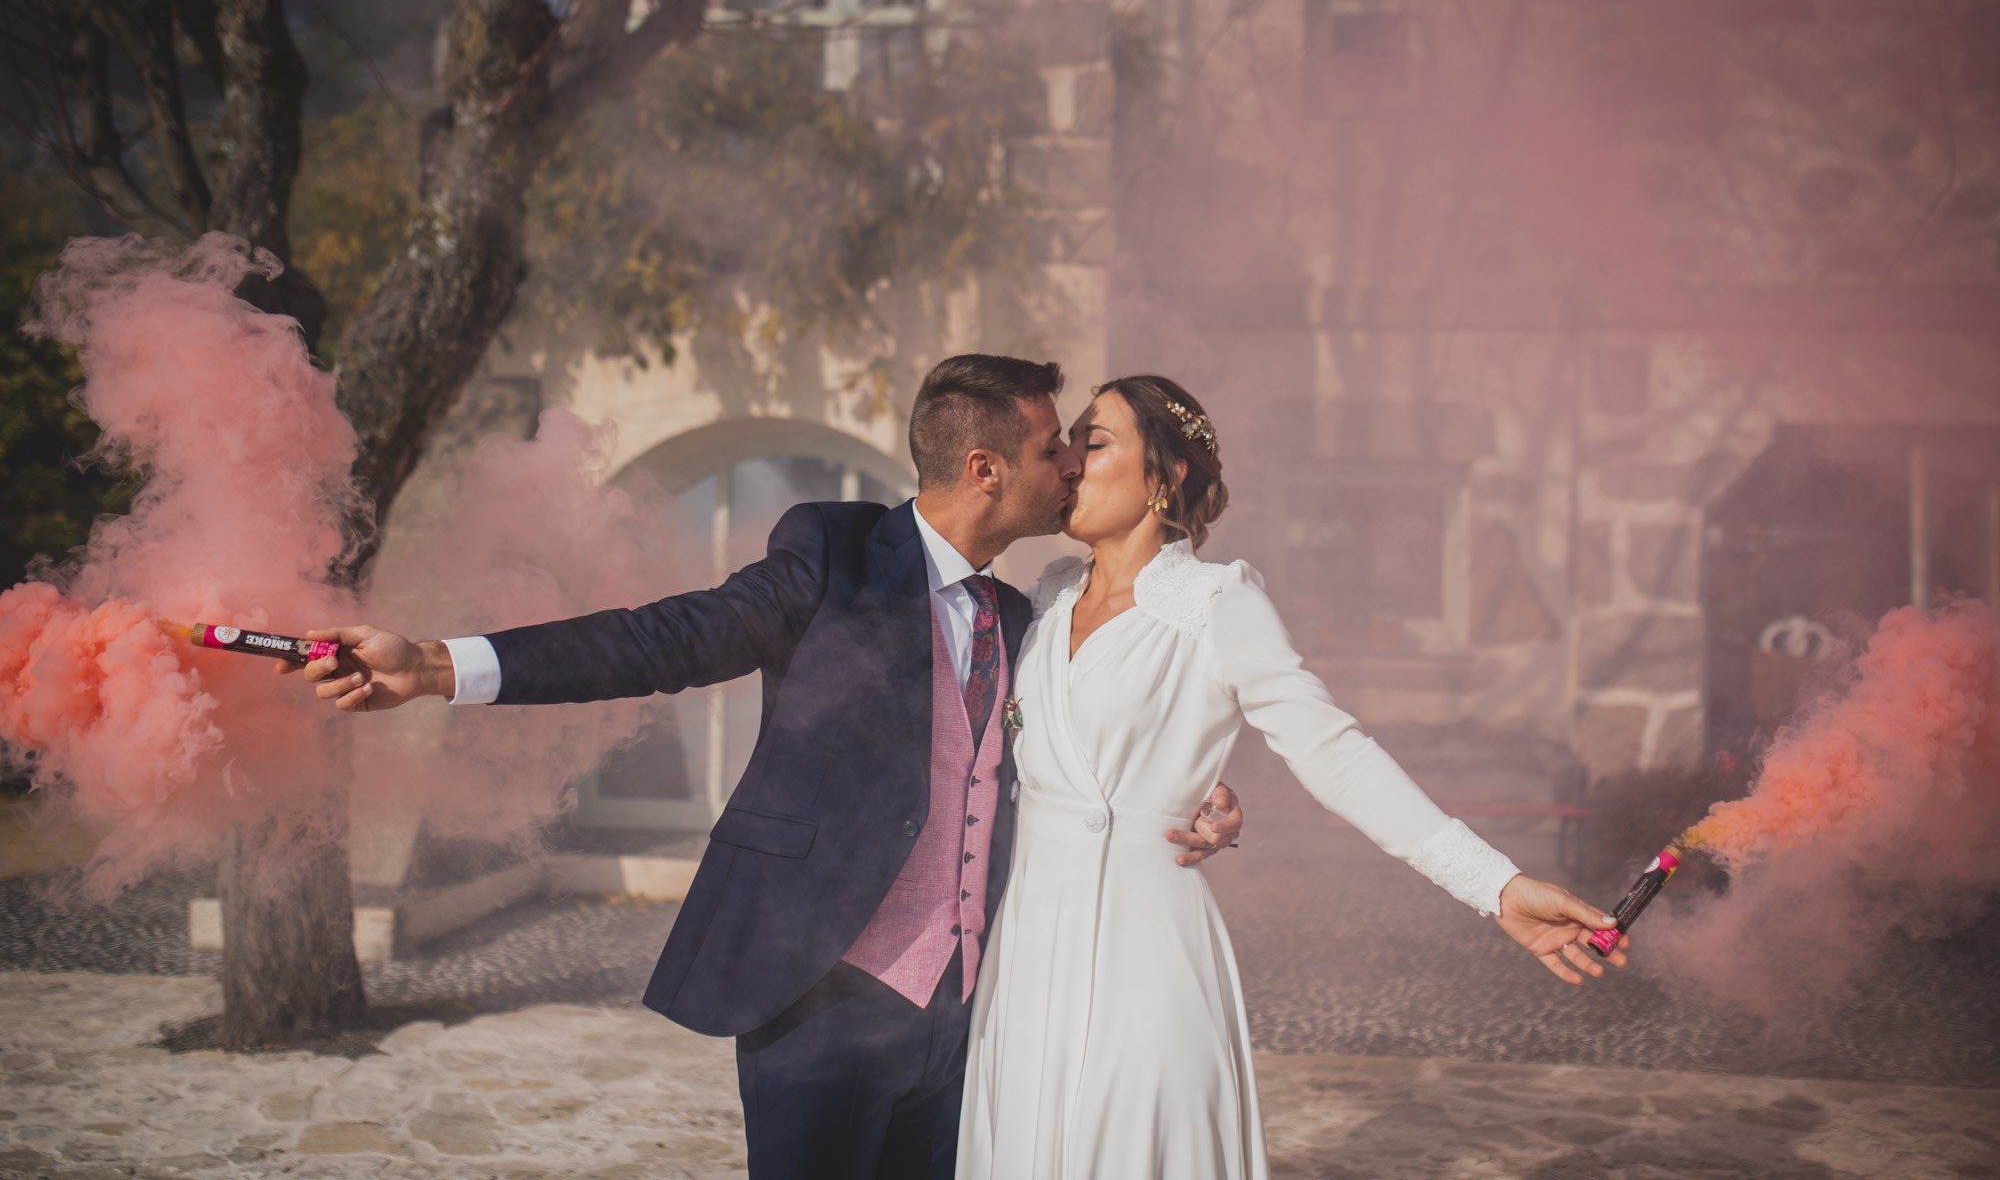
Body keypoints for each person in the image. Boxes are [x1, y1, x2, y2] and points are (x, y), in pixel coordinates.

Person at [292, 355, 1245, 1180]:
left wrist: (1194, 791)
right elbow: (660, 641)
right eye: (1053, 448)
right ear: (984, 468)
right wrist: (432, 663)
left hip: (969, 1020)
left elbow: (1088, 750)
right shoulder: (831, 555)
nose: (1072, 463)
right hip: (818, 998)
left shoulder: (1025, 616)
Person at [954, 376, 1630, 1180]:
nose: (1068, 461)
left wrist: (1497, 885)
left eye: (1093, 442)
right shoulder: (1043, 598)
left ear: (1163, 477)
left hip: (1144, 954)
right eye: (1066, 442)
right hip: (1026, 956)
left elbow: (1336, 753)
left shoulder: (1216, 602)